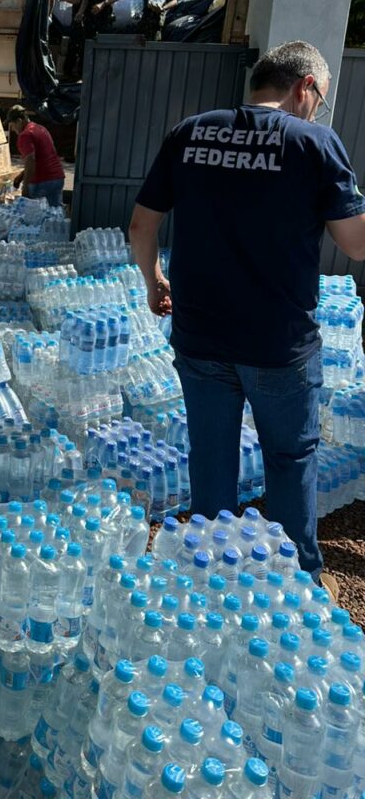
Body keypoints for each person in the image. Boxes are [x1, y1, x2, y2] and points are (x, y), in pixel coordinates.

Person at [128, 40, 365, 592]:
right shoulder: (314, 142)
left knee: (211, 457)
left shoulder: (192, 132)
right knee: (289, 457)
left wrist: (153, 283)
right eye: (320, 99)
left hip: (200, 334)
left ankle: (215, 571)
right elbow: (355, 245)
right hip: (277, 343)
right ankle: (294, 578)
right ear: (305, 86)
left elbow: (142, 226)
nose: (318, 109)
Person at [7, 105, 65, 208]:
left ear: (19, 121)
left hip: (41, 181)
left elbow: (30, 161)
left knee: (32, 218)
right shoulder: (40, 128)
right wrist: (20, 177)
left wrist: (25, 189)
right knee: (55, 215)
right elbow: (42, 158)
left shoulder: (25, 135)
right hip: (57, 178)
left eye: (12, 125)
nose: (12, 129)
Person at [61, 0, 86, 80]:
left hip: (79, 20)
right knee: (80, 48)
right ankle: (78, 73)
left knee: (74, 47)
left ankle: (69, 74)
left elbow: (77, 0)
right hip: (84, 21)